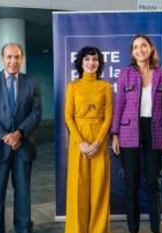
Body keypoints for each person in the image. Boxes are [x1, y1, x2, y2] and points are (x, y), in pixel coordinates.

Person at [111, 34, 162, 233]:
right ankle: (133, 230)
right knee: (131, 185)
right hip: (128, 132)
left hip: (155, 132)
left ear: (151, 48)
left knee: (153, 183)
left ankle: (156, 229)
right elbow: (119, 104)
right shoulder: (125, 74)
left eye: (144, 46)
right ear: (132, 52)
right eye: (136, 47)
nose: (140, 50)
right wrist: (114, 134)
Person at [0, 43, 42, 233]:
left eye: (17, 57)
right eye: (9, 57)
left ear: (21, 58)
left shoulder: (32, 82)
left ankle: (23, 229)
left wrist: (19, 134)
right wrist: (6, 137)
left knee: (23, 194)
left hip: (23, 146)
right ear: (2, 57)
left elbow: (36, 112)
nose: (13, 61)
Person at [64, 46, 113, 233]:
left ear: (99, 64)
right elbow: (68, 117)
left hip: (98, 141)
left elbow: (108, 117)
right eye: (87, 59)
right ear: (81, 63)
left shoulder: (105, 87)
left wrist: (98, 143)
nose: (91, 63)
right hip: (79, 142)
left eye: (95, 60)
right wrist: (81, 142)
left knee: (99, 189)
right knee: (78, 189)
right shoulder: (73, 86)